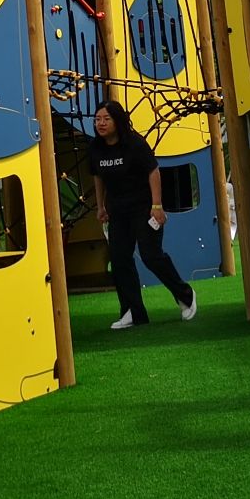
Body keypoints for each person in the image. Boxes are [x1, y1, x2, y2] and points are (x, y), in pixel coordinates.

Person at [91, 100, 196, 329]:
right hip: (117, 211)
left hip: (143, 207)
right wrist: (101, 207)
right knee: (120, 259)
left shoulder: (135, 144)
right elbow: (98, 177)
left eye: (106, 119)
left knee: (151, 255)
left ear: (118, 121)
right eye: (97, 119)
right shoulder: (96, 147)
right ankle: (133, 312)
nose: (101, 124)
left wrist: (156, 205)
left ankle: (185, 296)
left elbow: (153, 171)